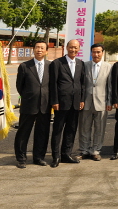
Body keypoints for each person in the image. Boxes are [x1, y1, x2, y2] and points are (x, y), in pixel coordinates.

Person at [14, 40, 51, 168]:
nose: (39, 50)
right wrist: (29, 96)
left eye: (42, 48)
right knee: (23, 132)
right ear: (33, 49)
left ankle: (39, 157)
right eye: (37, 47)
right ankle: (21, 158)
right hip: (29, 105)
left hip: (45, 105)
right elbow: (20, 86)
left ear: (46, 51)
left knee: (42, 133)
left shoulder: (51, 66)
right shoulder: (25, 66)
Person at [49, 39, 86, 168]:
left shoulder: (80, 64)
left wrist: (82, 99)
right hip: (61, 103)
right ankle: (55, 156)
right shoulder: (57, 63)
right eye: (71, 47)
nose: (73, 50)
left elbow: (82, 84)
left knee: (71, 130)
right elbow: (52, 84)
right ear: (66, 47)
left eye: (76, 48)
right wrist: (54, 101)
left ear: (79, 49)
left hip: (75, 103)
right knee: (57, 130)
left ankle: (66, 154)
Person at [78, 43, 112, 161]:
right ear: (91, 53)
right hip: (86, 102)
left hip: (101, 102)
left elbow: (110, 86)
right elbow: (81, 84)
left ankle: (96, 150)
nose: (96, 54)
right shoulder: (84, 65)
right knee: (84, 128)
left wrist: (109, 102)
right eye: (94, 52)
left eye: (98, 52)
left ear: (102, 53)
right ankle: (84, 150)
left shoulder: (109, 67)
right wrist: (81, 100)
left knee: (99, 128)